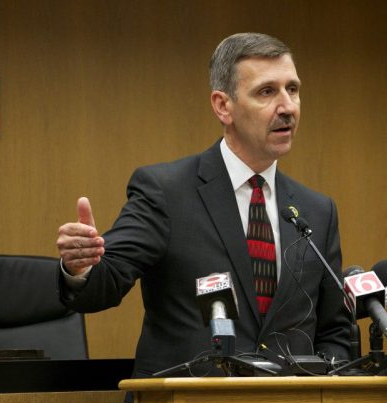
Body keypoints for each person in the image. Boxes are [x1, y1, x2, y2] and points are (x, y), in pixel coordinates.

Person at [56, 33, 351, 377]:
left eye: (293, 89)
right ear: (223, 106)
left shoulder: (317, 211)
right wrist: (80, 269)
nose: (287, 106)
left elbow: (334, 332)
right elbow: (103, 286)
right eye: (267, 92)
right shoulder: (166, 191)